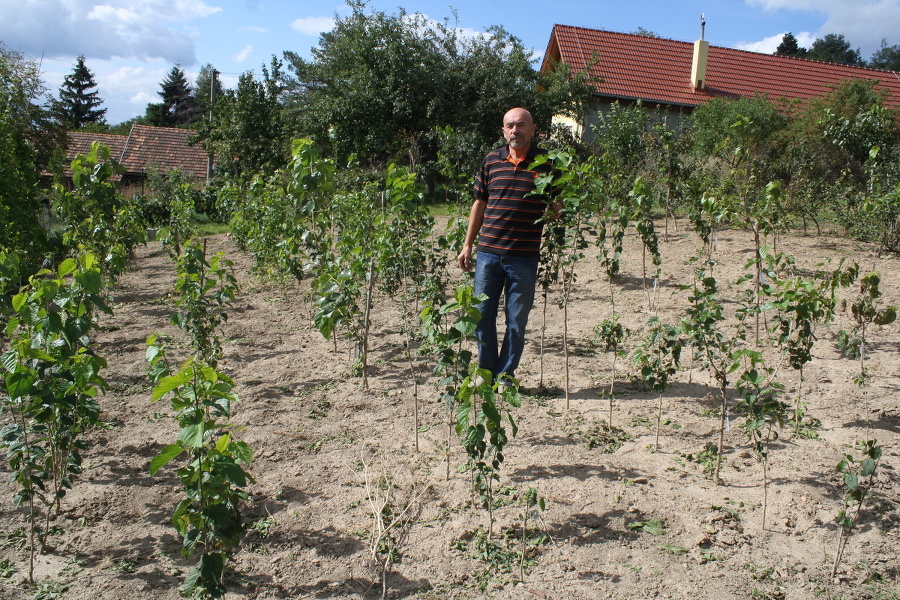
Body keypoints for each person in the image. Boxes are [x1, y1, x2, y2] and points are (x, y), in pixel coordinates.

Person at [457, 107, 560, 387]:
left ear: (533, 129)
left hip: (524, 258)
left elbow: (557, 208)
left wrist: (557, 205)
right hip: (488, 254)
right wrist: (468, 245)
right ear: (504, 131)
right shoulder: (491, 160)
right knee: (481, 317)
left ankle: (505, 375)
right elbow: (479, 203)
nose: (515, 131)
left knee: (516, 321)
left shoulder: (548, 163)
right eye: (510, 126)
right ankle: (485, 371)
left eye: (521, 125)